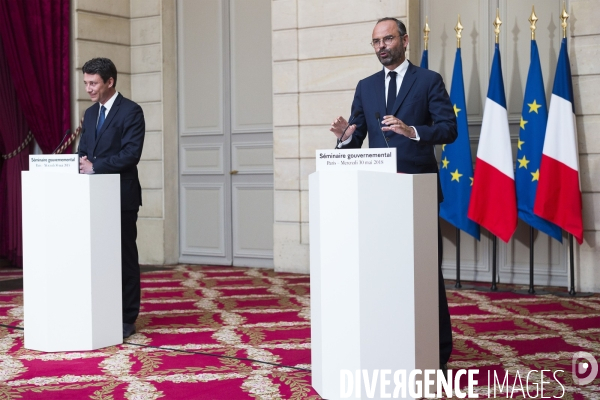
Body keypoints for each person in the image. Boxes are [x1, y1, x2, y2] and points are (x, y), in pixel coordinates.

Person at [330, 17, 457, 371]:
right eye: (375, 42)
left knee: (425, 273)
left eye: (387, 39)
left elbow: (449, 129)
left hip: (417, 190)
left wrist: (412, 130)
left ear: (404, 40)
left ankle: (437, 353)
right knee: (385, 274)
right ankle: (390, 346)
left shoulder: (428, 81)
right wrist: (344, 136)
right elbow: (355, 138)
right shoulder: (365, 86)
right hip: (378, 196)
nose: (381, 47)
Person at [78, 58, 145, 339]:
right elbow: (84, 150)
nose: (89, 89)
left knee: (124, 258)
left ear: (109, 82)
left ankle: (127, 317)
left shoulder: (131, 111)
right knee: (98, 258)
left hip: (121, 197)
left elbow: (131, 154)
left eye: (93, 83)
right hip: (93, 198)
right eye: (86, 83)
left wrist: (97, 166)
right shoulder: (90, 114)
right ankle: (104, 309)